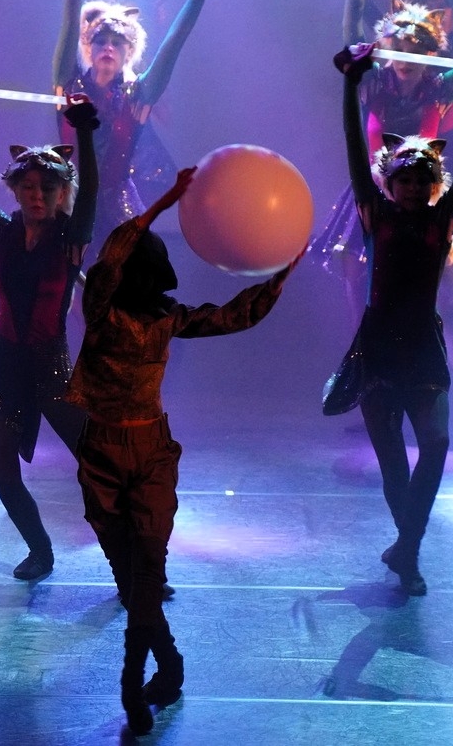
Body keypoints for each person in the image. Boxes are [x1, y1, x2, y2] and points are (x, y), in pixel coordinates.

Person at [65, 170, 297, 735]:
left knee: (146, 571)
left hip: (149, 451)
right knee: (131, 577)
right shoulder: (101, 311)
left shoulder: (166, 319)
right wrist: (164, 200)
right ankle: (168, 667)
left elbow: (237, 315)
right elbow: (110, 262)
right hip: (104, 454)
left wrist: (283, 268)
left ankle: (132, 684)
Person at [310, 0, 453, 460]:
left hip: (424, 211)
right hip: (373, 212)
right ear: (389, 45)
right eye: (398, 40)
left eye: (417, 41)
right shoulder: (374, 85)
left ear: (429, 50)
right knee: (369, 314)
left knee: (447, 314)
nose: (406, 49)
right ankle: (376, 403)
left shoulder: (439, 87)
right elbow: (351, 34)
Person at [323, 45, 453, 598]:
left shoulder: (441, 220)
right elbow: (354, 148)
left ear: (434, 186)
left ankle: (407, 545)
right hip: (378, 349)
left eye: (424, 181)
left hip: (423, 347)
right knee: (393, 466)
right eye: (405, 179)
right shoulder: (373, 215)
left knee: (438, 443)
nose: (414, 187)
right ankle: (410, 553)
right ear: (391, 182)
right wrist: (351, 84)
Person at [0, 82, 101, 581]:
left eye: (47, 188)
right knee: (2, 470)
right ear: (14, 189)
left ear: (62, 193)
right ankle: (40, 551)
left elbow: (93, 190)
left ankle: (139, 563)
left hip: (50, 366)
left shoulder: (72, 237)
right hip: (0, 363)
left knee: (103, 467)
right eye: (28, 186)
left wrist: (83, 129)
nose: (36, 195)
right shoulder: (0, 230)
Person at [51, 0, 214, 248]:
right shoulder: (68, 83)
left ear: (129, 52)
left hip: (119, 209)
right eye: (101, 40)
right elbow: (69, 24)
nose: (108, 47)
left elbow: (173, 44)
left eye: (117, 42)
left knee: (128, 270)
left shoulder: (138, 93)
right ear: (88, 47)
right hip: (68, 203)